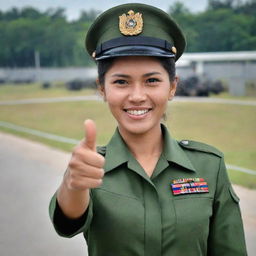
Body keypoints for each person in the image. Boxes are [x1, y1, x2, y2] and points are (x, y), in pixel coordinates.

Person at [49, 3, 247, 256]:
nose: (137, 96)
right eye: (121, 82)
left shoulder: (209, 166)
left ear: (173, 86)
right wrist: (73, 185)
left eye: (152, 80)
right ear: (102, 88)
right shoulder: (89, 168)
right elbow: (66, 223)